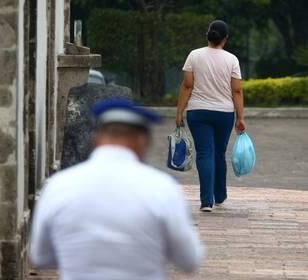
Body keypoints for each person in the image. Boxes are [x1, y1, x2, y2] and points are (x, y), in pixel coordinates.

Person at [30, 98, 203, 280]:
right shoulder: (163, 188)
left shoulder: (59, 185)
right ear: (143, 141)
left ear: (96, 139)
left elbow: (40, 255)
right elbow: (189, 259)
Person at [175, 20, 246, 212]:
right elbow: (237, 91)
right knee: (219, 153)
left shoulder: (194, 56)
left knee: (205, 153)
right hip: (224, 113)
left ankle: (207, 201)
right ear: (225, 38)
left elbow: (187, 86)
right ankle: (220, 195)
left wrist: (179, 112)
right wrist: (240, 117)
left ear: (208, 35)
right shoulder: (232, 59)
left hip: (198, 112)